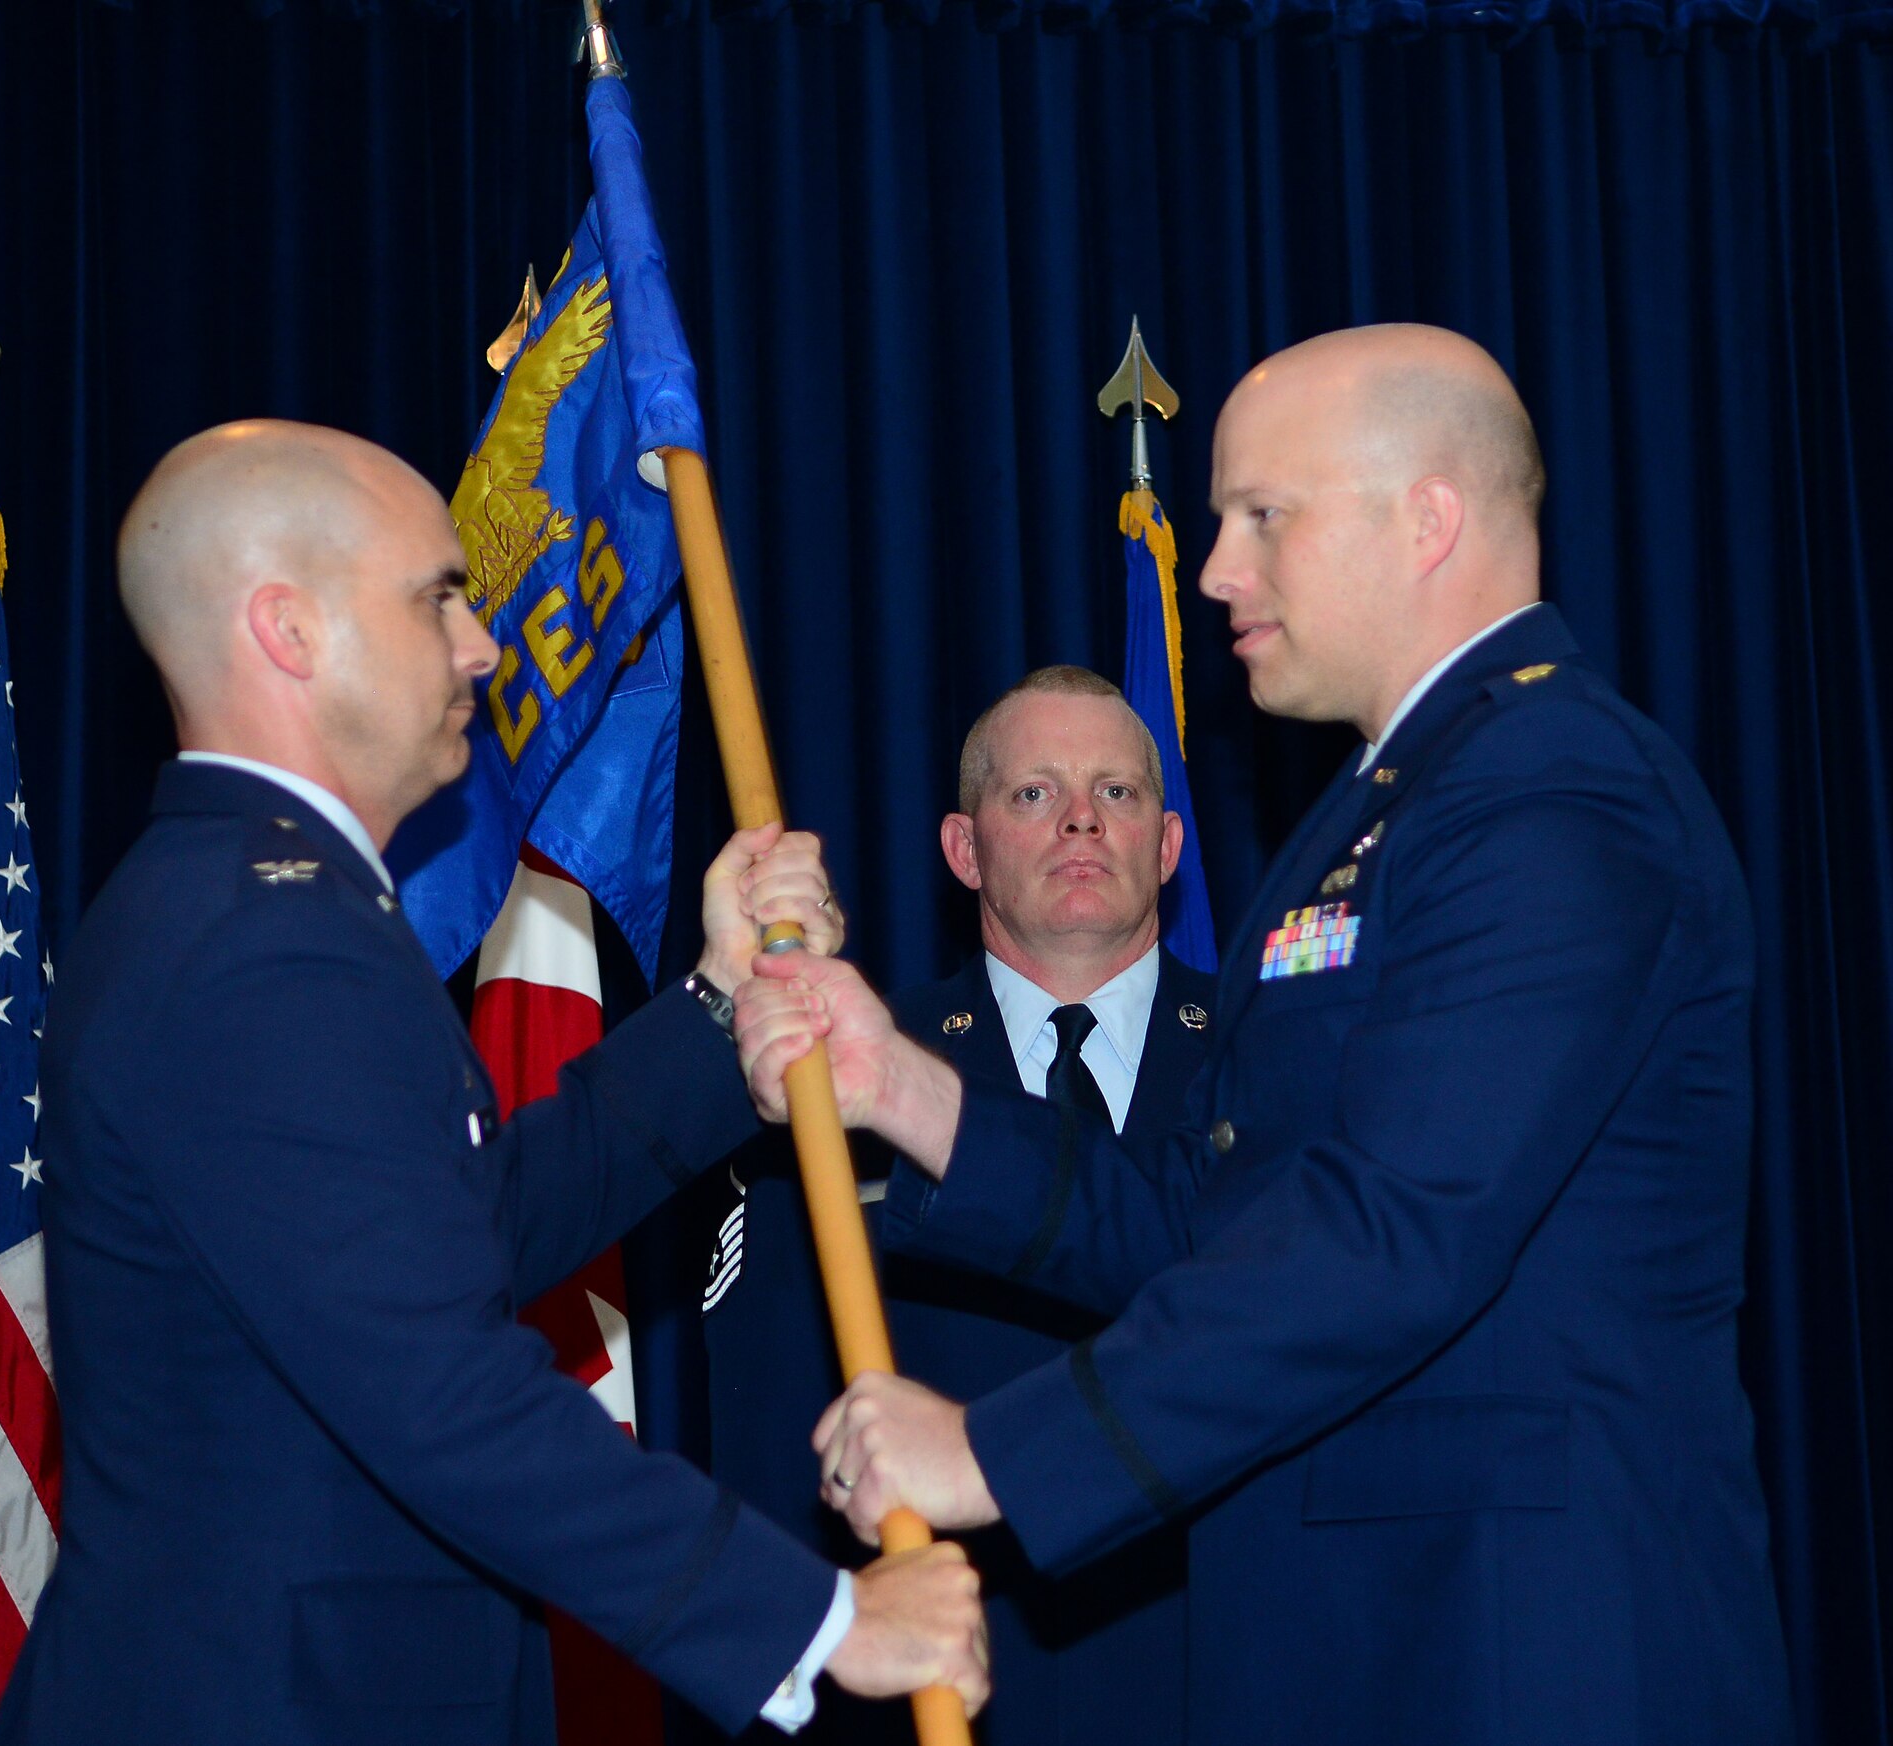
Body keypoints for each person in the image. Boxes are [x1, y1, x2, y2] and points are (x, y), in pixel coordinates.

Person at [735, 327, 1796, 1746]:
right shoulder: (1383, 807)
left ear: (1428, 519)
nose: (1219, 566)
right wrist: (906, 1086)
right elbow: (1219, 1213)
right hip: (1359, 1635)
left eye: (1262, 517)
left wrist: (996, 1446)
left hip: (1512, 1646)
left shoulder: (1557, 796)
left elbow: (1394, 1234)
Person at [0, 421, 987, 1746]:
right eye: (438, 597)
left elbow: (465, 1234)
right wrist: (825, 1621)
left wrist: (713, 1010)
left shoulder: (260, 905)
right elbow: (438, 1384)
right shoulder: (259, 940)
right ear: (286, 630)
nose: (482, 644)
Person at [706, 665, 1207, 1746]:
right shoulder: (840, 1073)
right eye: (1034, 793)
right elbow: (770, 1431)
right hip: (942, 1687)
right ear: (962, 850)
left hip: (1219, 1671)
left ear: (1167, 848)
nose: (1080, 816)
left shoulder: (1268, 1071)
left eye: (1116, 793)